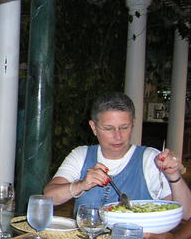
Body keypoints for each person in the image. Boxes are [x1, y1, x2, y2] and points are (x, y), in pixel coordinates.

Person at [44, 91, 191, 218]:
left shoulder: (149, 158)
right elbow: (49, 196)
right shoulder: (81, 155)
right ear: (94, 128)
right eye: (108, 128)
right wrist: (81, 185)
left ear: (132, 125)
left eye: (124, 127)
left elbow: (185, 214)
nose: (118, 136)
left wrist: (174, 176)